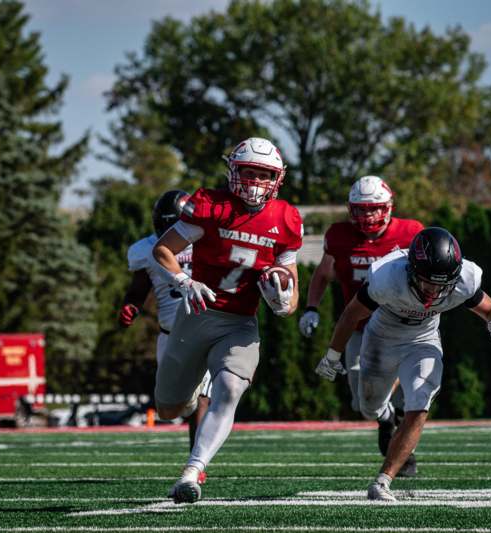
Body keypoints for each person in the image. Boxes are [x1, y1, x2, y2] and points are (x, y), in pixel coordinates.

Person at [152, 137, 303, 503]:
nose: (254, 182)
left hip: (239, 321)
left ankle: (193, 471)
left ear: (277, 179)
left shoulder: (286, 219)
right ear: (233, 172)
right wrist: (184, 280)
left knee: (232, 389)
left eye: (263, 174)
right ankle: (189, 399)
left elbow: (292, 291)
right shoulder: (210, 206)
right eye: (248, 173)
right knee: (169, 409)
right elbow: (163, 250)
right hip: (197, 314)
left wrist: (283, 302)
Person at [316, 227, 491, 501]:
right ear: (411, 270)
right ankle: (385, 416)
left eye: (442, 283)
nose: (434, 290)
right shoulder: (388, 277)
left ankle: (383, 482)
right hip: (382, 337)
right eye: (428, 281)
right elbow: (350, 315)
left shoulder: (464, 279)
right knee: (368, 408)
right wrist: (332, 355)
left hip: (424, 339)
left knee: (420, 402)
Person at [303, 176, 423, 474]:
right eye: (361, 209)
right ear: (350, 209)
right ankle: (386, 417)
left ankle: (403, 451)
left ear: (388, 207)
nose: (367, 216)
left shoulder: (410, 233)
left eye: (374, 209)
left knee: (408, 388)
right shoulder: (340, 236)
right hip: (359, 326)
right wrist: (311, 308)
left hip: (402, 326)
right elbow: (322, 274)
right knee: (363, 402)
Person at [119, 189, 211, 457]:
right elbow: (138, 289)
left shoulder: (207, 241)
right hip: (170, 335)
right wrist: (130, 307)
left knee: (204, 397)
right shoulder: (147, 250)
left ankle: (197, 463)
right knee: (175, 407)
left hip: (208, 328)